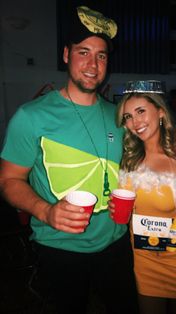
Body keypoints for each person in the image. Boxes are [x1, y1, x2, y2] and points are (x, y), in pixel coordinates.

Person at [0, 6, 139, 314]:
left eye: (101, 55)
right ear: (66, 55)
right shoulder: (31, 116)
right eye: (83, 52)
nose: (93, 64)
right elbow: (8, 180)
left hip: (115, 246)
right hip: (59, 248)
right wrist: (45, 211)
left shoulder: (117, 115)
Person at [109, 80, 176, 314]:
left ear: (161, 112)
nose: (135, 122)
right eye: (128, 117)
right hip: (144, 259)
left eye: (141, 111)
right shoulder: (127, 157)